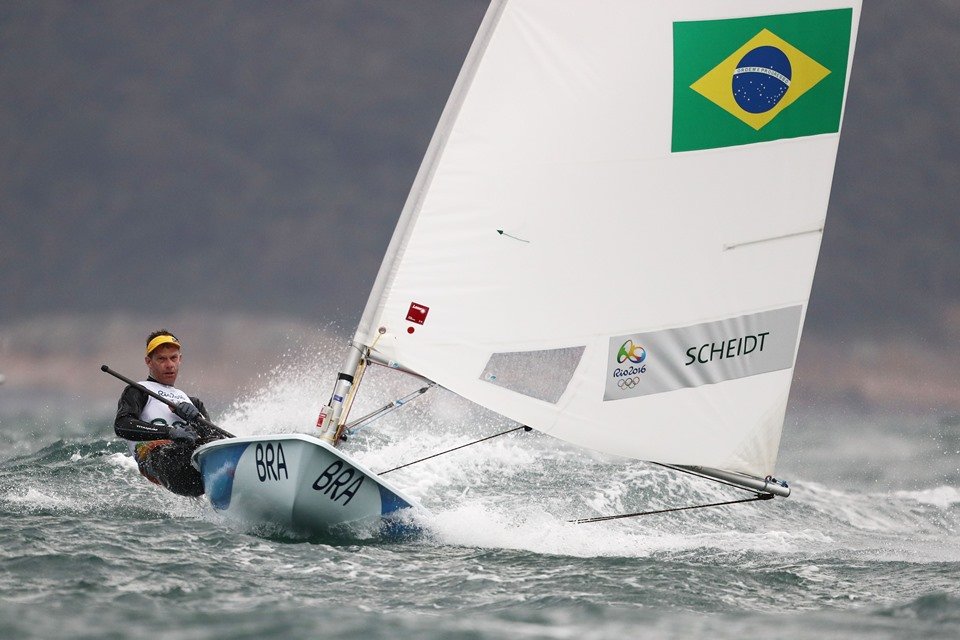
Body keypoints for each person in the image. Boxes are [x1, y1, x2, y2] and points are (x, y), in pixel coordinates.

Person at [114, 330, 225, 496]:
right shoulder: (138, 391)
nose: (169, 364)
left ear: (180, 359)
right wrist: (170, 432)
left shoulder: (193, 402)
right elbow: (122, 425)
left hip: (191, 459)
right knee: (174, 452)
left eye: (173, 358)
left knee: (216, 446)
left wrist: (195, 419)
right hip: (157, 459)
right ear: (149, 362)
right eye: (161, 359)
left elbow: (216, 439)